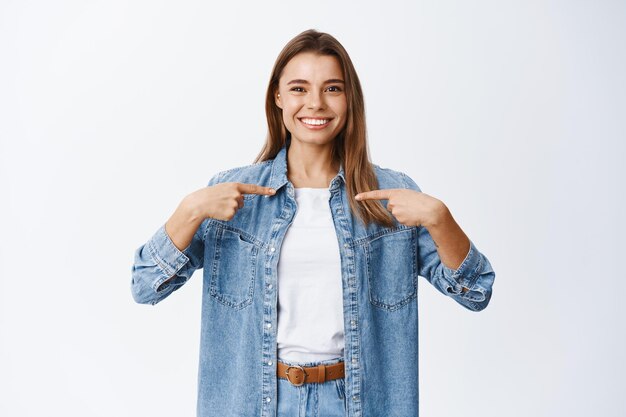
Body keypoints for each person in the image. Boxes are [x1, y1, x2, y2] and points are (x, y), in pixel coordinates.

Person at [131, 29, 496, 417]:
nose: (315, 104)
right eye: (299, 89)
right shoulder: (232, 195)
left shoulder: (393, 194)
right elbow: (145, 285)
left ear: (349, 98)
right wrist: (190, 210)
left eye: (332, 88)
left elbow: (475, 293)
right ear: (278, 97)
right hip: (256, 402)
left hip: (357, 402)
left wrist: (440, 219)